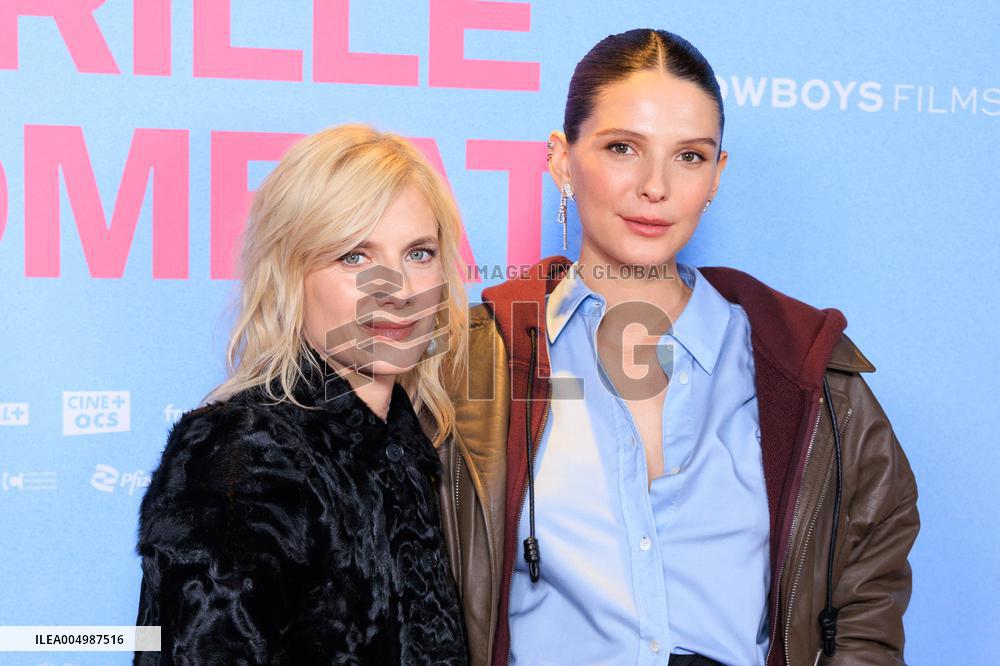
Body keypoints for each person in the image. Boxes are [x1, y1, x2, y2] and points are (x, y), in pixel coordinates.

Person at [436, 29, 919, 665]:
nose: (655, 187)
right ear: (560, 160)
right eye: (622, 148)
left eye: (689, 156)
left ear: (717, 175)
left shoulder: (809, 373)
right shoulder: (473, 363)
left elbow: (866, 595)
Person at [134, 124, 470, 664]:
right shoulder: (243, 453)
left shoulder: (405, 451)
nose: (400, 290)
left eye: (419, 253)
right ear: (293, 273)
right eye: (354, 257)